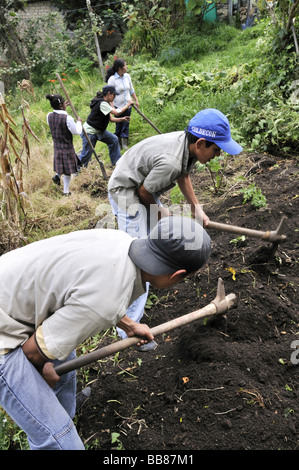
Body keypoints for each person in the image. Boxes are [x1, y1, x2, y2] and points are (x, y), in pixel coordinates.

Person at [0, 216, 211, 450]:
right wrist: (42, 370)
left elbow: (91, 291)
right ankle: (52, 430)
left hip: (13, 295)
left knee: (65, 362)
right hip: (4, 340)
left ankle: (62, 414)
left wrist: (130, 325)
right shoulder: (105, 301)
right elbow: (32, 353)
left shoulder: (121, 241)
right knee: (60, 442)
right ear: (176, 275)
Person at [108, 108, 243, 349]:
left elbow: (184, 175)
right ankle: (128, 331)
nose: (218, 154)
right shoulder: (171, 160)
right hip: (126, 190)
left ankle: (154, 275)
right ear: (201, 143)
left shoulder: (187, 147)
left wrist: (196, 209)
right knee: (136, 259)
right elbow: (144, 193)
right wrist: (162, 214)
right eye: (216, 149)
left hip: (142, 185)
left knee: (158, 233)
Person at [78, 85, 132, 168]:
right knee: (86, 155)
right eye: (114, 95)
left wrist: (122, 119)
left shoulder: (105, 103)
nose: (115, 97)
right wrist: (128, 105)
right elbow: (116, 112)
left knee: (114, 140)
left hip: (99, 131)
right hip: (90, 132)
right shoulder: (102, 103)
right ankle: (76, 169)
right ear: (109, 94)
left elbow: (111, 119)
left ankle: (117, 163)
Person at [46, 93, 82, 196]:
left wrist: (63, 108)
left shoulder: (49, 116)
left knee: (62, 166)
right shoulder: (68, 118)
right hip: (67, 147)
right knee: (67, 171)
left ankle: (57, 176)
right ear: (61, 105)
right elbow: (76, 131)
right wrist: (79, 122)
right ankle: (66, 192)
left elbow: (58, 119)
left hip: (57, 146)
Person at [106, 58, 139, 150]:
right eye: (125, 65)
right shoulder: (112, 79)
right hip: (118, 106)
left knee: (126, 123)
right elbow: (109, 94)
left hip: (128, 105)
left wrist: (136, 100)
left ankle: (124, 142)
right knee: (119, 123)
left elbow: (131, 89)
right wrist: (112, 107)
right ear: (120, 68)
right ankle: (117, 142)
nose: (126, 67)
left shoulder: (127, 76)